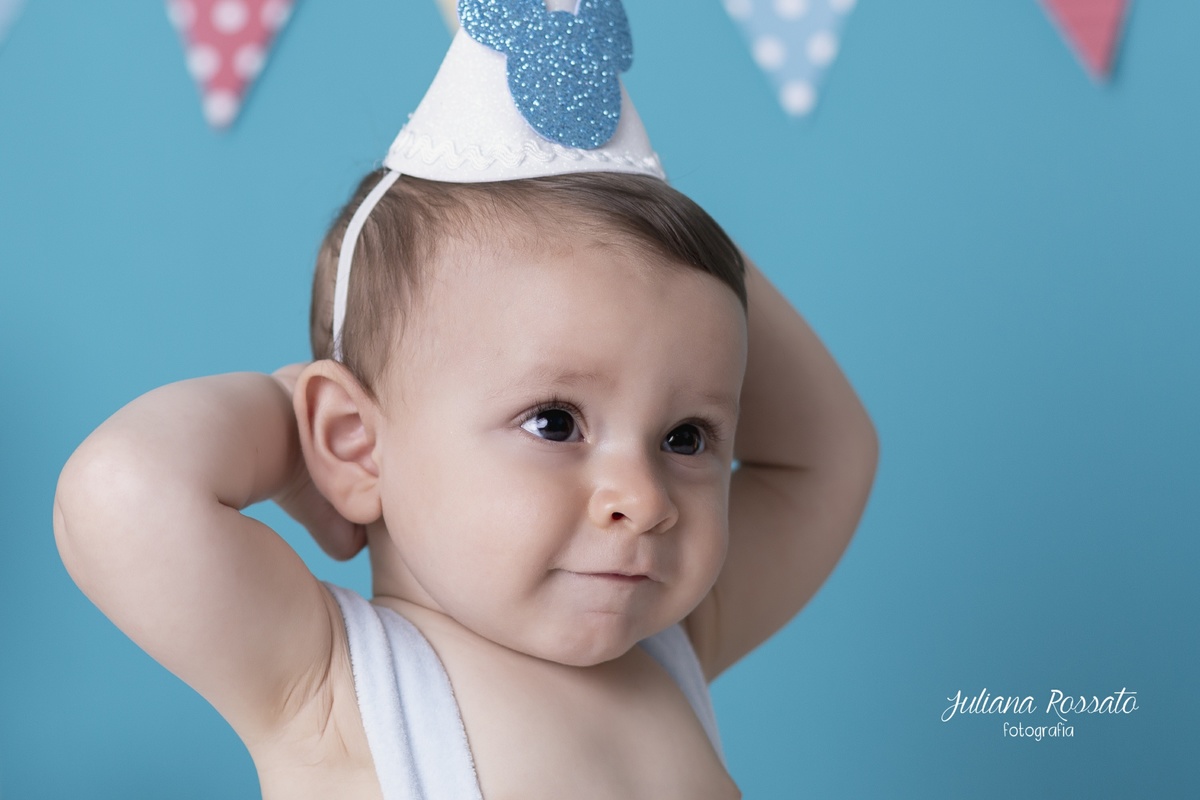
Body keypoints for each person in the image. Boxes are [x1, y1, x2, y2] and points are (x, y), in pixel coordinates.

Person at [53, 1, 878, 797]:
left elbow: (830, 454)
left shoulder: (672, 646)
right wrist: (302, 423)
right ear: (354, 443)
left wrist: (643, 209)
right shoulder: (336, 688)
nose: (644, 499)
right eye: (556, 422)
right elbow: (120, 489)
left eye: (687, 436)